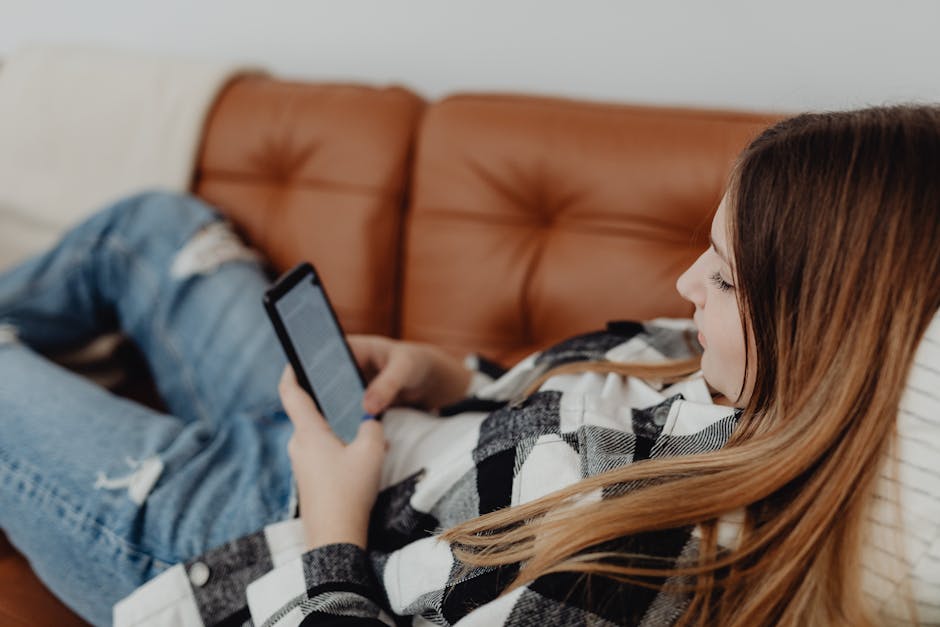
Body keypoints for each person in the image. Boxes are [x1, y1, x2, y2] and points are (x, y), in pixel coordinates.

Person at [0, 105, 938, 627]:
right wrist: (448, 372)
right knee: (158, 228)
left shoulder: (656, 567)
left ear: (827, 327)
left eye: (725, 276)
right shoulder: (738, 366)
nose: (686, 280)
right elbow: (573, 398)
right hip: (364, 430)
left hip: (265, 534)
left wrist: (331, 515)